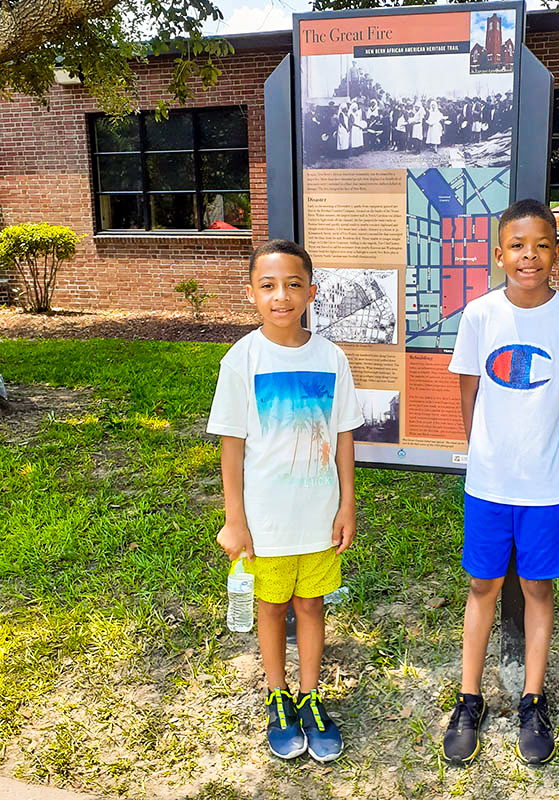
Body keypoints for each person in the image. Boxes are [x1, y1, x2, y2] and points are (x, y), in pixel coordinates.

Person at [443, 199, 559, 766]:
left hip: (546, 486)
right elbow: (467, 390)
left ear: (556, 251)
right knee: (482, 587)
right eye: (517, 246)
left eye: (541, 245)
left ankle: (533, 699)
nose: (528, 256)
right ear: (499, 252)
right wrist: (483, 446)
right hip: (488, 483)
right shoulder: (481, 315)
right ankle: (468, 698)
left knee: (537, 587)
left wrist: (547, 439)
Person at [207, 239, 364, 763]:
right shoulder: (241, 360)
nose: (282, 296)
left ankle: (311, 697)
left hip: (318, 516)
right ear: (251, 294)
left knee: (311, 604)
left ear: (312, 292)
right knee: (272, 608)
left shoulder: (332, 358)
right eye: (269, 286)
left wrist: (347, 505)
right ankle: (278, 696)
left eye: (294, 284)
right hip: (265, 520)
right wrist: (235, 520)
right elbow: (232, 448)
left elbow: (343, 436)